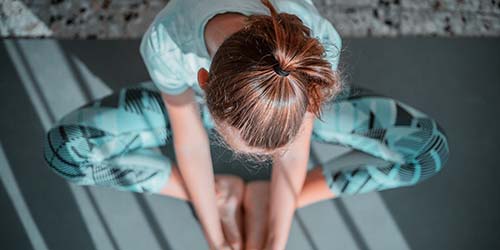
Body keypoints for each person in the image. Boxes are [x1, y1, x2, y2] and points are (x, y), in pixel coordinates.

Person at [42, 0, 450, 249]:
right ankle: (213, 194)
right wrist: (215, 237)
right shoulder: (168, 41)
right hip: (197, 101)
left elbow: (297, 149)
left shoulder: (312, 49)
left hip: (286, 96)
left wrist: (276, 235)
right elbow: (189, 139)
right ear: (203, 80)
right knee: (66, 151)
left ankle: (268, 197)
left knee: (428, 149)